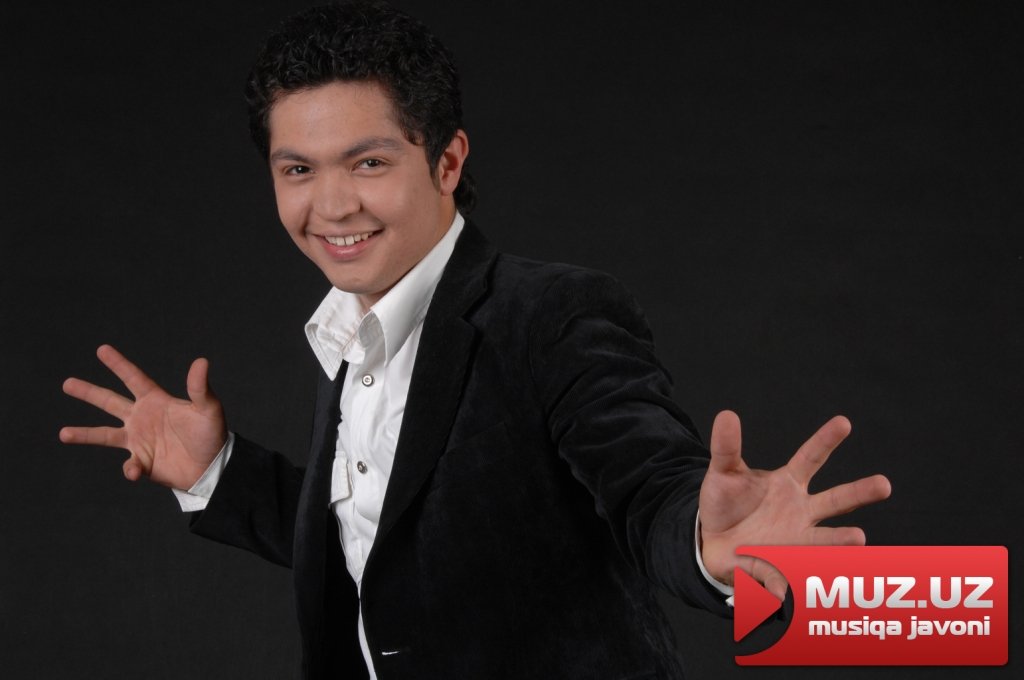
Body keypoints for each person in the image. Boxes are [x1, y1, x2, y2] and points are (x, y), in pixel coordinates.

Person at [59, 3, 891, 678]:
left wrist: (706, 544)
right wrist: (217, 471)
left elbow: (649, 484)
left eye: (369, 163)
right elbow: (395, 540)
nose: (332, 206)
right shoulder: (352, 326)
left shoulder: (552, 314)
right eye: (299, 170)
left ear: (448, 162)